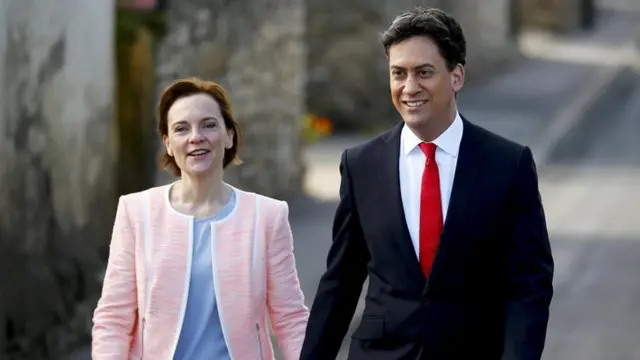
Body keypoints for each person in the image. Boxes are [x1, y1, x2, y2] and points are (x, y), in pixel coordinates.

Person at [300, 7, 554, 360]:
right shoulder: (361, 165)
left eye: (424, 72)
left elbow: (529, 284)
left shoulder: (508, 164)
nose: (409, 87)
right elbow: (341, 280)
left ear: (456, 76)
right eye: (398, 73)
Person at [92, 77, 309, 360]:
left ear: (229, 135)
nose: (196, 137)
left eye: (208, 124)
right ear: (168, 144)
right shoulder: (135, 212)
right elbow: (113, 318)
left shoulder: (267, 216)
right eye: (182, 129)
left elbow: (290, 319)